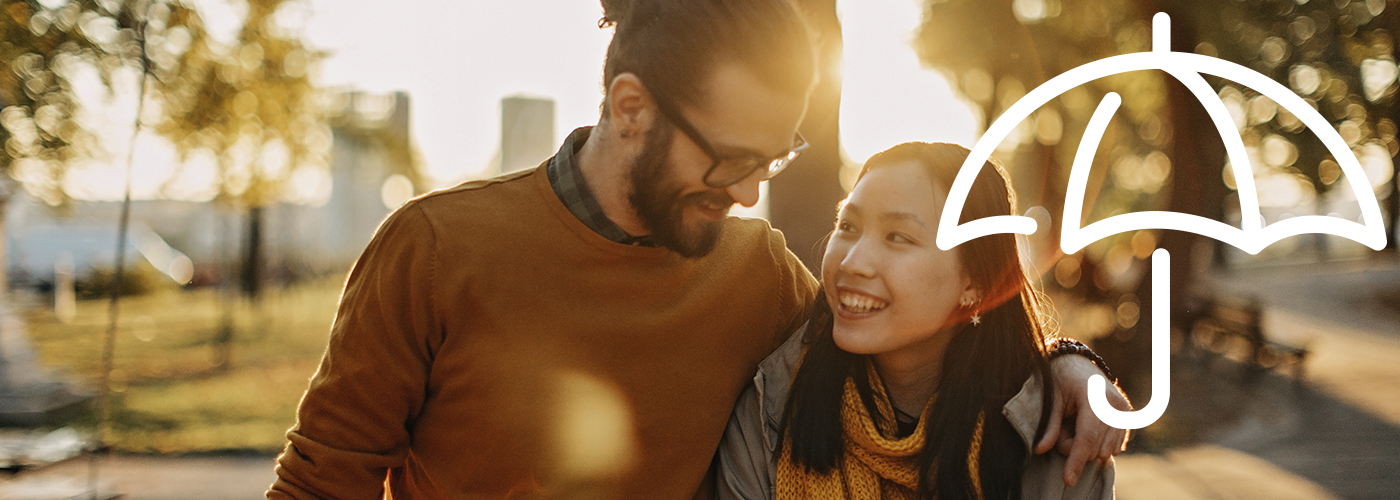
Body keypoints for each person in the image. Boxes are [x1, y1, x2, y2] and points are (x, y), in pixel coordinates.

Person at [267, 1, 1128, 499]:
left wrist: (1064, 361)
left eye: (772, 160)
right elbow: (318, 487)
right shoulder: (434, 248)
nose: (751, 193)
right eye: (729, 160)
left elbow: (915, 324)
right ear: (631, 108)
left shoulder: (752, 273)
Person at [716, 142, 1121, 500]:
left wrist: (1068, 361)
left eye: (898, 237)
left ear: (976, 282)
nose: (853, 262)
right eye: (848, 226)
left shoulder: (1053, 439)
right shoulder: (771, 409)